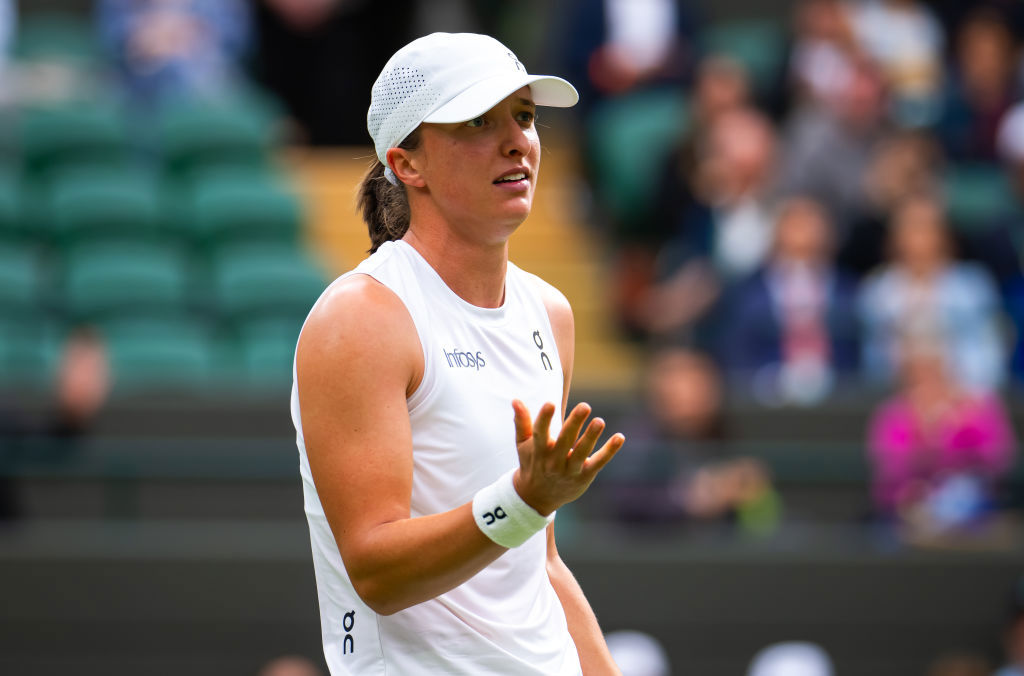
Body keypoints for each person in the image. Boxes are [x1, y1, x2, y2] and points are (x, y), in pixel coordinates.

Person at [290, 32, 626, 675]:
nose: (517, 141)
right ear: (407, 164)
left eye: (524, 117)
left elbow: (541, 562)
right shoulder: (360, 318)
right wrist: (523, 501)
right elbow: (377, 571)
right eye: (478, 120)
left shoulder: (550, 314)